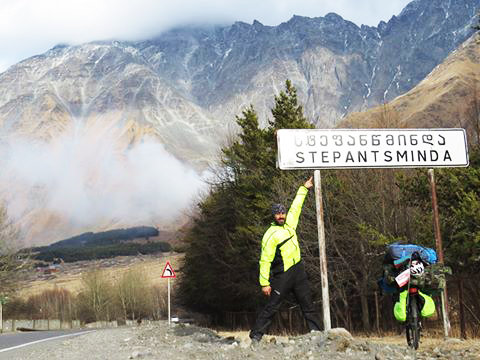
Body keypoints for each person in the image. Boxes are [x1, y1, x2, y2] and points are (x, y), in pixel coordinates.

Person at [249, 176, 321, 342]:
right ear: (273, 216)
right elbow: (265, 260)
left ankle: (317, 335)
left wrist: (304, 188)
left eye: (282, 213)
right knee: (272, 306)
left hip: (298, 270)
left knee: (308, 304)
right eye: (277, 214)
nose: (281, 216)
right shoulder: (270, 234)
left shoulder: (290, 224)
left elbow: (296, 207)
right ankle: (256, 336)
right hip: (283, 274)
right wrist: (264, 283)